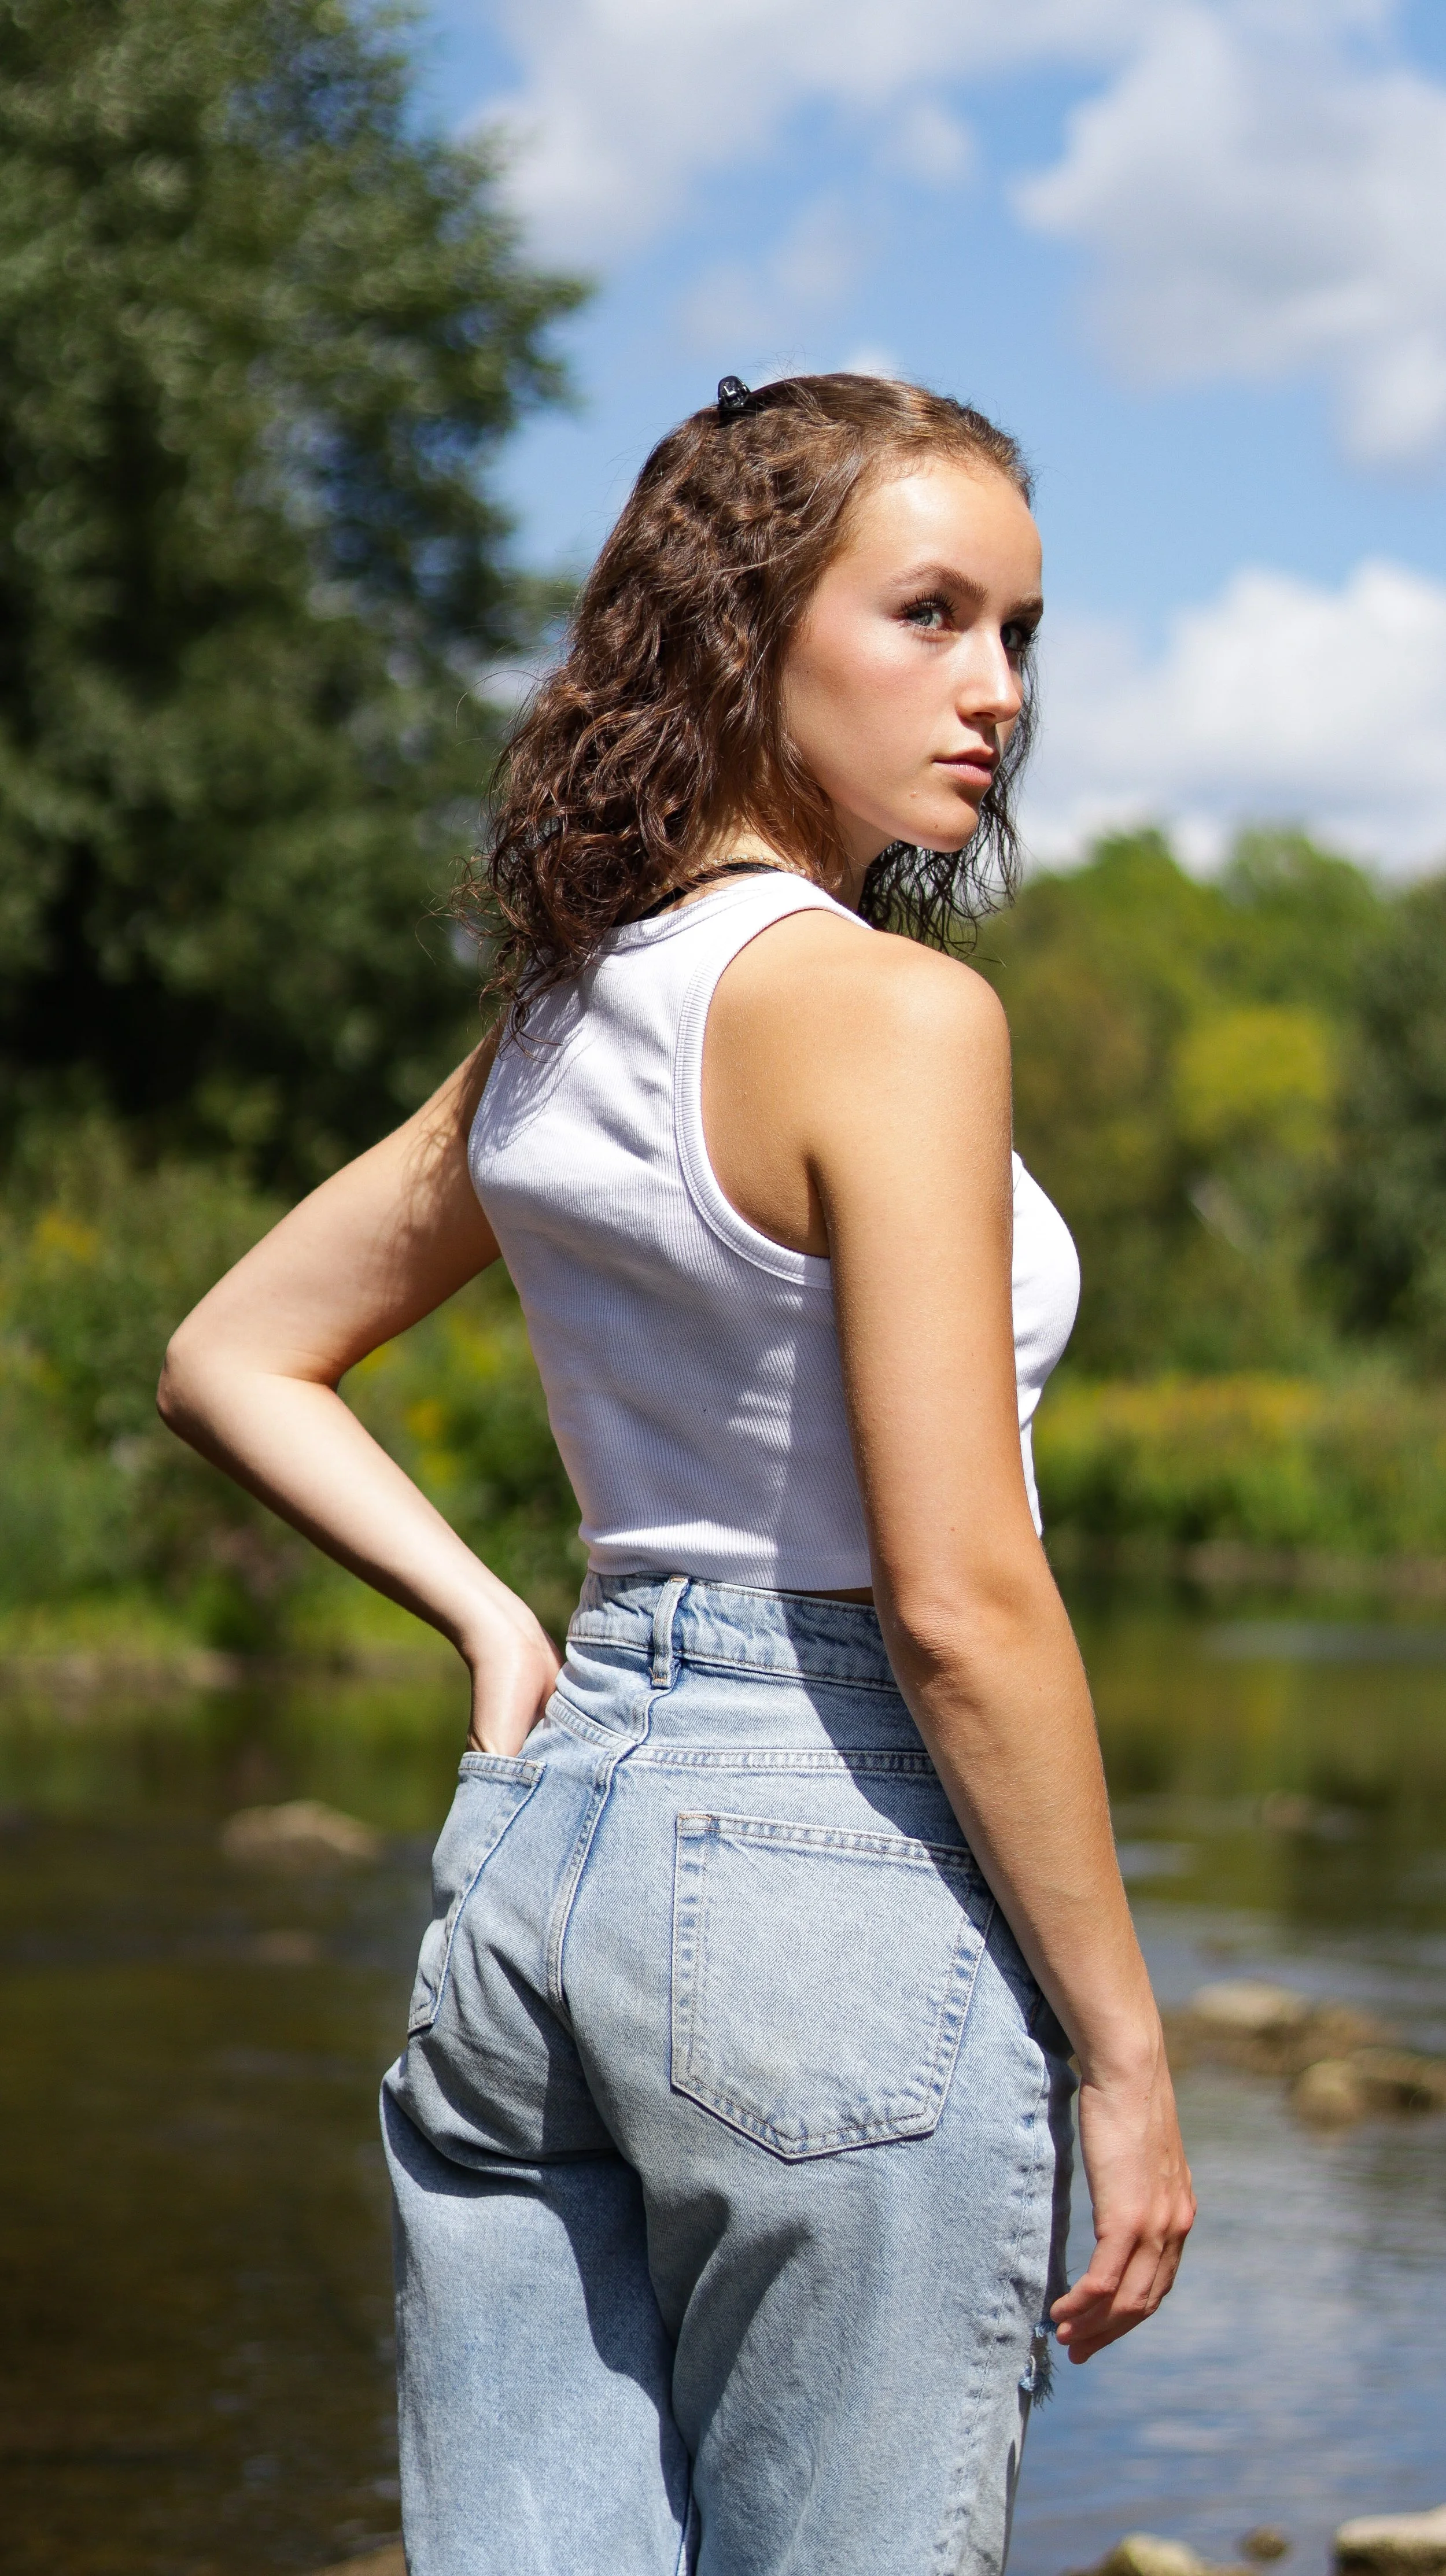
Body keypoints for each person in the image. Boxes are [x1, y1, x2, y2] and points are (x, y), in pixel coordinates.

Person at [159, 372, 1195, 2576]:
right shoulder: (894, 1018)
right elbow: (960, 1599)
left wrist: (499, 1616)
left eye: (1019, 631)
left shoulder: (557, 1018)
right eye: (928, 613)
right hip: (828, 1859)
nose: (992, 691)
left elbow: (233, 1353)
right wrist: (1123, 2050)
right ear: (742, 628)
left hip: (545, 1858)